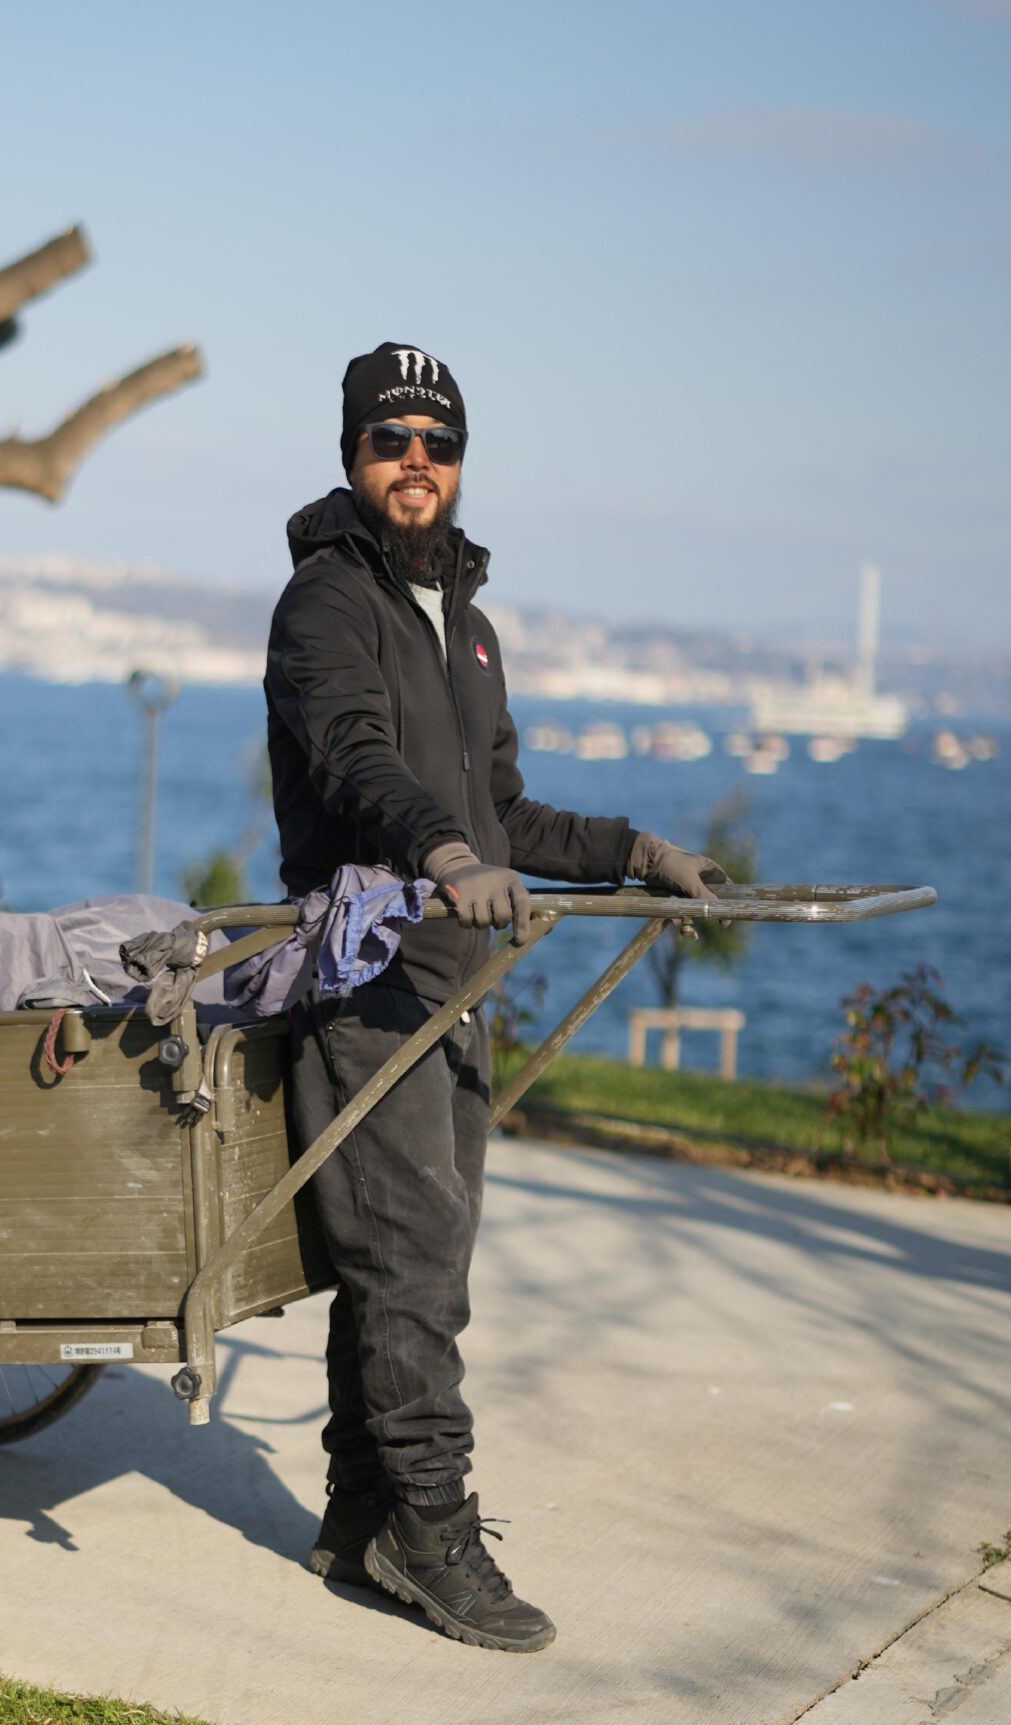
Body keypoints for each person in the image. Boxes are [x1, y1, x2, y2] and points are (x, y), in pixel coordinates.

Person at [266, 342, 728, 1653]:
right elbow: (355, 765)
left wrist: (637, 851)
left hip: (457, 979)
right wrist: (443, 855)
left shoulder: (467, 626)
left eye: (439, 441)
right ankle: (428, 1524)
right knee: (413, 1255)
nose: (416, 461)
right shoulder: (324, 604)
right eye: (389, 439)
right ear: (353, 455)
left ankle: (360, 1516)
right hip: (369, 977)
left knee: (419, 1255)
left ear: (461, 461)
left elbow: (503, 810)